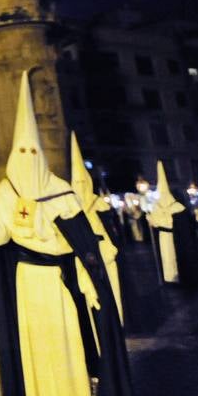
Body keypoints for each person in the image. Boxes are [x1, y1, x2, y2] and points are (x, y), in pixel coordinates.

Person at [0, 70, 135, 396]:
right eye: (21, 151)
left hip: (61, 284)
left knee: (68, 344)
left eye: (32, 151)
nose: (27, 157)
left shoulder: (62, 192)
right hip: (27, 282)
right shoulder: (7, 190)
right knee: (38, 347)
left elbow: (85, 244)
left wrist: (93, 283)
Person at [70, 134, 122, 318]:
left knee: (113, 293)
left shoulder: (100, 205)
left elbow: (113, 230)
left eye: (83, 182)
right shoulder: (71, 207)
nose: (81, 186)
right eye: (77, 183)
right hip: (86, 257)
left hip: (106, 254)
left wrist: (111, 247)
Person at [147, 160, 198, 286]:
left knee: (175, 257)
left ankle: (180, 276)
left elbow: (182, 226)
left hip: (176, 238)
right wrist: (152, 219)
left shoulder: (177, 207)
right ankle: (169, 278)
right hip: (163, 237)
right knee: (166, 257)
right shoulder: (157, 207)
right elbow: (155, 222)